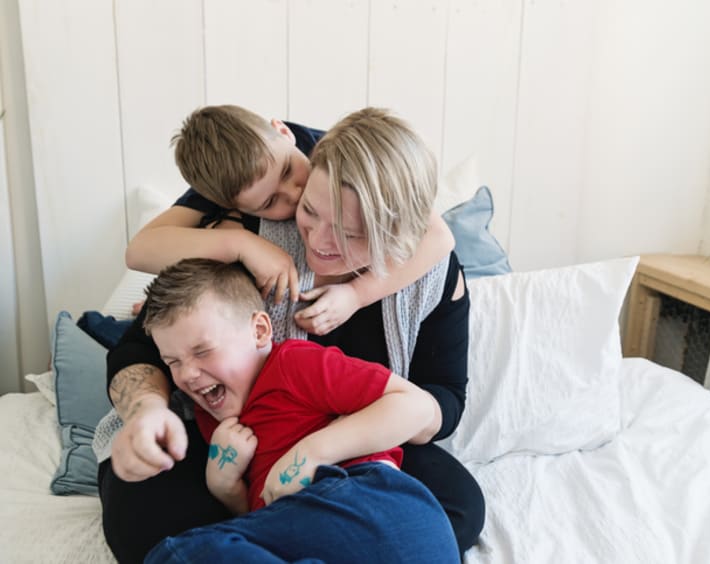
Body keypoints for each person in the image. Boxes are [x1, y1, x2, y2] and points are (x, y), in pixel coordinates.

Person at [94, 107, 485, 563]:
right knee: (139, 510)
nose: (318, 241)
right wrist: (146, 411)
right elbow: (145, 343)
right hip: (227, 437)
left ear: (397, 234)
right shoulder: (245, 229)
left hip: (361, 439)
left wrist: (330, 443)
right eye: (310, 211)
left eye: (351, 234)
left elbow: (444, 397)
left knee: (457, 506)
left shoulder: (428, 275)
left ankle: (232, 544)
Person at [140, 258, 460, 563]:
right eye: (173, 362)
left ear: (260, 331)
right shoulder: (213, 418)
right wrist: (226, 487)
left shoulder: (292, 366)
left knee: (179, 554)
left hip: (380, 505)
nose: (187, 374)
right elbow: (267, 523)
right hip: (328, 536)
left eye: (202, 351)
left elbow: (415, 406)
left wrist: (311, 453)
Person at [126, 104, 455, 334]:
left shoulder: (333, 151)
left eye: (288, 170)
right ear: (232, 205)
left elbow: (439, 237)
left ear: (282, 131)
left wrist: (357, 295)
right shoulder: (228, 186)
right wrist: (243, 244)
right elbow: (139, 250)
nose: (295, 193)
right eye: (270, 202)